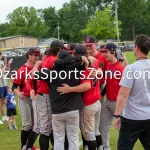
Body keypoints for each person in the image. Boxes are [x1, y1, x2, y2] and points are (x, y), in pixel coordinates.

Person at [56, 44, 103, 150]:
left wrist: (70, 89)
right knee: (95, 131)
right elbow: (98, 68)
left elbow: (86, 86)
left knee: (89, 134)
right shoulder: (93, 61)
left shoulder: (83, 66)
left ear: (76, 54)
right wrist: (99, 72)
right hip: (97, 101)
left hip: (89, 103)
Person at [113, 34, 150, 150]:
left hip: (132, 118)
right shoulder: (131, 68)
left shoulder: (131, 69)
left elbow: (123, 94)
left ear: (137, 48)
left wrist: (117, 115)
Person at [12, 47, 40, 150]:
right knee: (27, 124)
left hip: (35, 99)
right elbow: (14, 86)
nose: (37, 57)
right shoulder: (22, 69)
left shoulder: (37, 68)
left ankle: (29, 145)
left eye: (38, 55)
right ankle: (24, 146)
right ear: (29, 55)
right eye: (35, 55)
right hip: (25, 99)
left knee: (34, 125)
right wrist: (18, 93)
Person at [100, 43, 124, 150]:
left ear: (113, 52)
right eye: (103, 52)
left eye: (106, 52)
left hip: (117, 102)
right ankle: (106, 148)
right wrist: (101, 95)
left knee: (121, 129)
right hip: (107, 101)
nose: (104, 54)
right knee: (103, 127)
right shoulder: (109, 65)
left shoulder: (120, 68)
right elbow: (108, 84)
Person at [0, 51, 13, 123]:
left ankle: (3, 116)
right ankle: (3, 116)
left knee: (3, 101)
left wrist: (8, 65)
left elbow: (7, 71)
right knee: (1, 102)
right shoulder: (2, 63)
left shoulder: (2, 62)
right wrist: (5, 64)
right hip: (0, 85)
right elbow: (1, 72)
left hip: (4, 84)